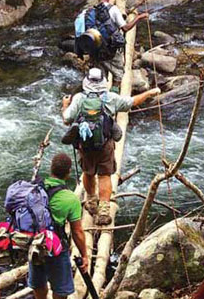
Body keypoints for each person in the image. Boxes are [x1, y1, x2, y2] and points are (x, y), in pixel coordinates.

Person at [62, 68, 161, 226]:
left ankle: (92, 201)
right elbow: (132, 102)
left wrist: (65, 105)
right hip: (105, 144)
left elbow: (67, 119)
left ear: (86, 82)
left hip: (85, 145)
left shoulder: (79, 98)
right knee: (104, 175)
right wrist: (149, 93)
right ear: (103, 83)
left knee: (88, 172)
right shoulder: (111, 98)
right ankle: (103, 211)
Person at [28, 153, 88, 299]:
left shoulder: (35, 188)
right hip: (56, 246)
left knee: (38, 279)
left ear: (51, 169)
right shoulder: (70, 198)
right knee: (61, 284)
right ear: (68, 173)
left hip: (34, 244)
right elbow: (77, 232)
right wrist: (84, 255)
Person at [76, 0, 148, 92]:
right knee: (118, 74)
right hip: (111, 51)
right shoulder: (113, 9)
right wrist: (139, 17)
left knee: (100, 77)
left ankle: (100, 96)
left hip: (96, 50)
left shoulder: (89, 12)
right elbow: (125, 28)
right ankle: (113, 95)